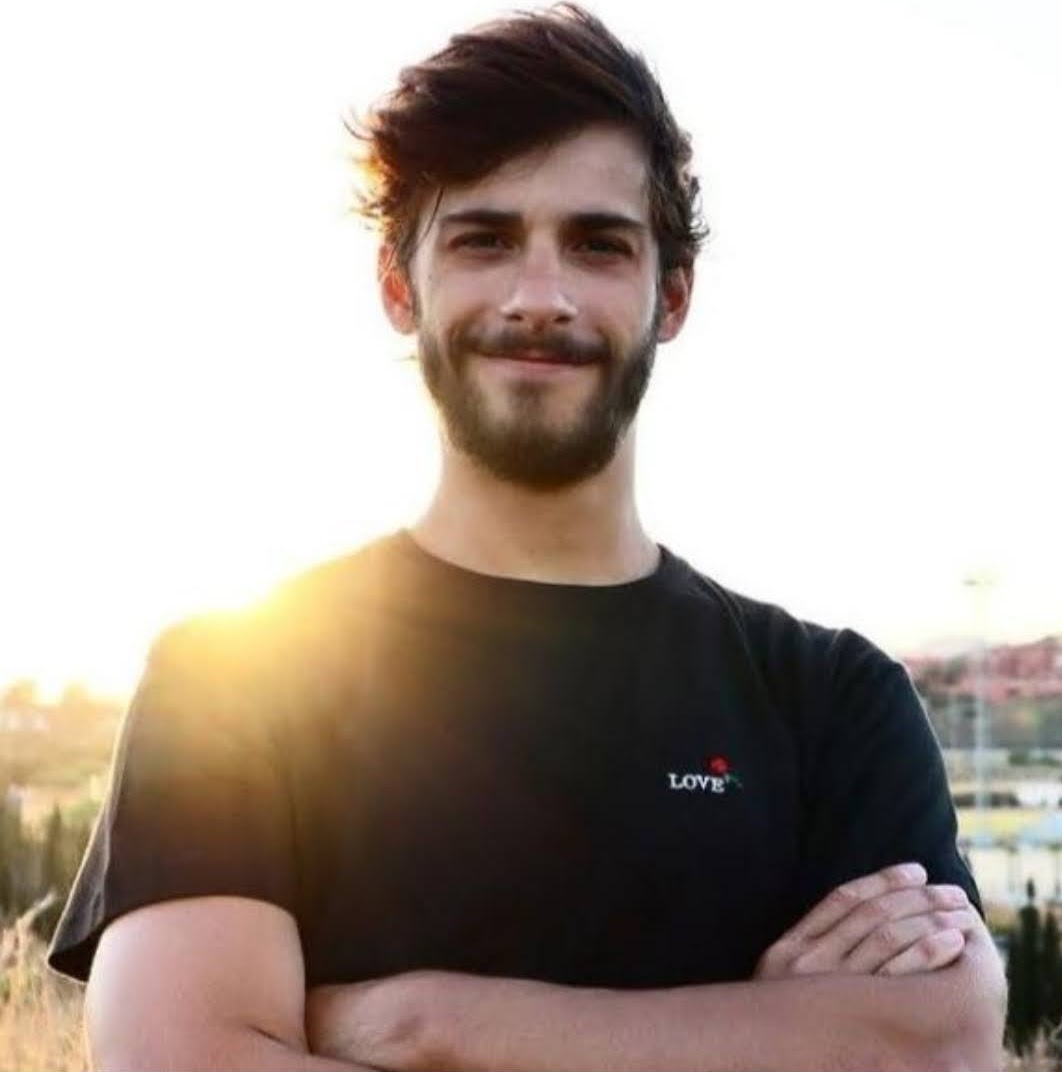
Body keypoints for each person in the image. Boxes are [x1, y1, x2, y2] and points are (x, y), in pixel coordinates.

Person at [48, 4, 1005, 1069]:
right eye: (485, 238)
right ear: (399, 287)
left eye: (598, 245)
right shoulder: (231, 674)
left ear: (670, 295)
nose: (539, 295)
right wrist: (756, 1035)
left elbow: (936, 1047)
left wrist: (427, 1029)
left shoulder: (831, 699)